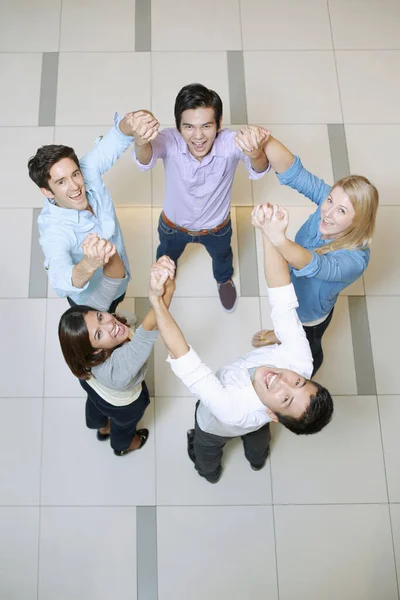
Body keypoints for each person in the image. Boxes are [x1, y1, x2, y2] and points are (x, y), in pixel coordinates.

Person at [148, 205, 334, 484]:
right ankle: (257, 461)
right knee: (257, 441)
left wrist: (156, 300)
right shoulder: (301, 361)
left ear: (274, 414)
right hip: (256, 422)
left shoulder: (231, 408)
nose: (281, 381)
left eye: (285, 399)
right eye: (297, 382)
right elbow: (281, 294)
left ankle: (208, 473)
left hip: (215, 426)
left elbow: (185, 358)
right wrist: (269, 232)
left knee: (205, 449)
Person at [130, 82, 270, 312]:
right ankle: (163, 283)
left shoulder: (230, 142)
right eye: (188, 127)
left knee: (223, 257)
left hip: (217, 228)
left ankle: (223, 279)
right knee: (165, 257)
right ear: (178, 126)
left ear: (219, 123)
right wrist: (140, 141)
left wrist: (255, 152)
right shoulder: (169, 140)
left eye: (206, 126)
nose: (198, 136)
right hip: (172, 227)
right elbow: (145, 159)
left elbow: (260, 168)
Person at [249, 134, 379, 375]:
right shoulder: (328, 205)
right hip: (291, 291)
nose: (327, 212)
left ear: (358, 220)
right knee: (284, 325)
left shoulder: (356, 260)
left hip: (309, 315)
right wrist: (262, 138)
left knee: (308, 347)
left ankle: (291, 348)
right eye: (330, 201)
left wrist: (277, 237)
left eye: (341, 210)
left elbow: (315, 265)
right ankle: (277, 334)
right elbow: (295, 172)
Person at [58, 242, 176, 457]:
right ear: (93, 351)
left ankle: (101, 427)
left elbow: (114, 277)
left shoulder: (83, 335)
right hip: (123, 404)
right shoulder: (119, 369)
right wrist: (166, 287)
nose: (110, 325)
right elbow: (152, 323)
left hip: (92, 386)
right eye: (99, 334)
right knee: (124, 425)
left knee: (95, 404)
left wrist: (105, 252)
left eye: (101, 316)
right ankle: (122, 445)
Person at [27, 111, 144, 312]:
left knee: (119, 302)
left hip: (119, 277)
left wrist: (132, 123)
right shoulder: (54, 231)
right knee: (107, 325)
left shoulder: (86, 170)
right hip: (93, 299)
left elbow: (116, 138)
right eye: (61, 182)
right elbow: (60, 280)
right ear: (47, 192)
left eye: (75, 174)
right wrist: (89, 264)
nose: (75, 186)